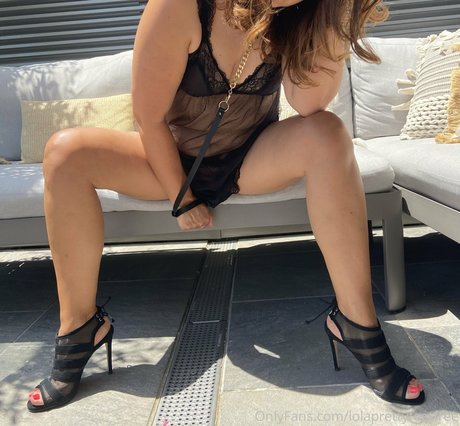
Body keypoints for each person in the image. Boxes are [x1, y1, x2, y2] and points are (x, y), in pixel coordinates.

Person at [26, 0, 425, 412]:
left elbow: (309, 106)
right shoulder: (181, 6)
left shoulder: (300, 14)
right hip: (170, 159)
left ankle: (356, 322)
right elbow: (149, 117)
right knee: (64, 153)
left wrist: (332, 17)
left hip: (250, 157)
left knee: (328, 133)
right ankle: (79, 327)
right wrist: (183, 198)